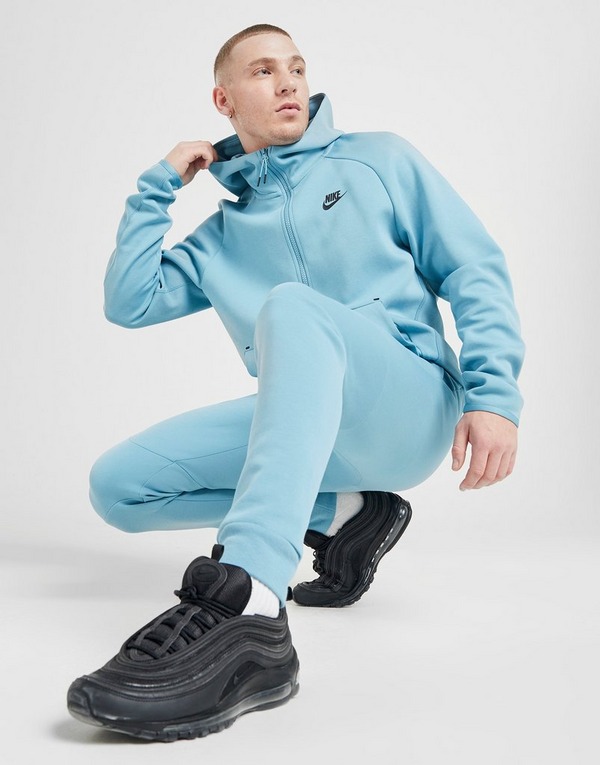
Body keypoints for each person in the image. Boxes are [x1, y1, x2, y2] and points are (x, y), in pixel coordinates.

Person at [67, 23, 524, 741]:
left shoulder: (378, 160)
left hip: (406, 403)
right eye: (262, 71)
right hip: (311, 430)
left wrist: (494, 394)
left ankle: (250, 595)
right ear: (223, 101)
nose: (288, 83)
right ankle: (345, 515)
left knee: (292, 307)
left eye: (297, 68)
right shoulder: (222, 237)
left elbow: (473, 267)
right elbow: (129, 302)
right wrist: (157, 187)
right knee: (119, 485)